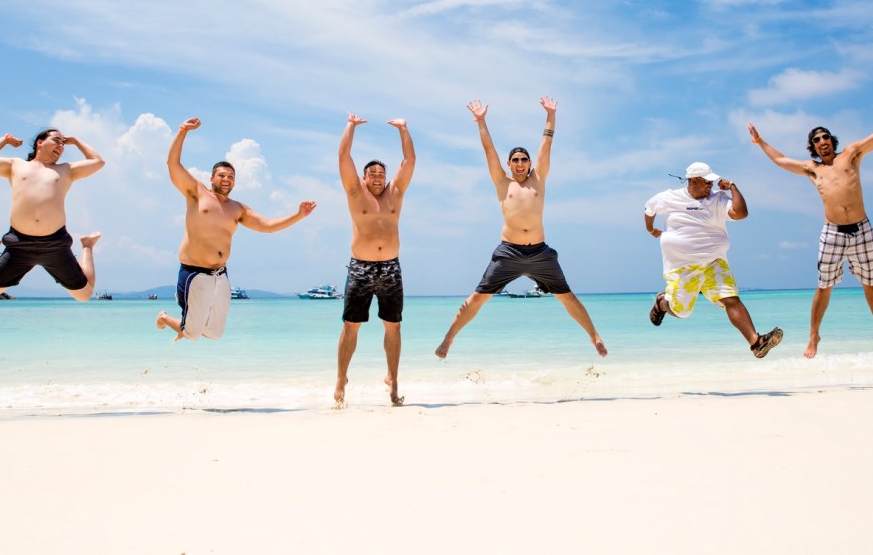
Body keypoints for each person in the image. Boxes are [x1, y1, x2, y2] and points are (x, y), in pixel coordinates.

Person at [747, 78, 873, 358]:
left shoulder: (851, 155)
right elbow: (781, 160)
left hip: (862, 229)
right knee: (824, 286)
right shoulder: (812, 169)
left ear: (832, 140)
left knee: (870, 284)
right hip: (832, 232)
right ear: (813, 147)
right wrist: (760, 142)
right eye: (816, 140)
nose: (822, 142)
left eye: (825, 137)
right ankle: (814, 336)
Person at [435, 97, 607, 359]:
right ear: (509, 164)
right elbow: (488, 151)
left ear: (529, 163)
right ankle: (448, 340)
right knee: (477, 298)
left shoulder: (539, 179)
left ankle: (594, 337)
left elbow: (546, 144)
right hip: (508, 253)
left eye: (523, 159)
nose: (519, 163)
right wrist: (481, 121)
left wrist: (550, 115)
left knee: (568, 297)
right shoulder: (502, 183)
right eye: (515, 159)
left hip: (540, 253)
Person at [156, 117, 316, 340]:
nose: (226, 179)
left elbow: (268, 226)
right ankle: (165, 318)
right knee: (192, 334)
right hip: (194, 272)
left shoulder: (237, 209)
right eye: (221, 175)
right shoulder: (197, 193)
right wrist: (183, 131)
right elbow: (173, 164)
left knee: (214, 333)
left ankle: (185, 324)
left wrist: (299, 215)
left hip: (220, 275)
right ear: (212, 178)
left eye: (231, 176)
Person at [645, 162, 783, 358]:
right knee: (682, 311)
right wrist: (651, 229)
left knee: (731, 299)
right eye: (706, 182)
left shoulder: (717, 199)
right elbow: (649, 209)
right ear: (693, 180)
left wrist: (733, 186)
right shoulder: (670, 197)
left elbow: (741, 213)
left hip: (713, 262)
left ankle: (756, 343)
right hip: (681, 266)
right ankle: (661, 303)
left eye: (712, 181)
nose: (711, 185)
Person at [335, 114, 416, 408]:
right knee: (350, 326)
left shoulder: (395, 193)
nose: (378, 178)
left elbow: (409, 160)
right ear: (364, 178)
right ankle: (341, 379)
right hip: (360, 267)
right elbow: (343, 155)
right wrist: (351, 126)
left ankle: (393, 381)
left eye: (382, 173)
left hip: (391, 269)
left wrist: (404, 129)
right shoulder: (356, 193)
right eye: (373, 174)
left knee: (393, 326)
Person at [0, 129, 104, 301]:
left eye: (63, 143)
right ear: (39, 142)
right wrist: (4, 141)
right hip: (19, 244)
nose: (61, 145)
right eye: (56, 140)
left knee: (84, 295)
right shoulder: (16, 165)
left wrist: (77, 141)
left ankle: (87, 245)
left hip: (55, 243)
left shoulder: (67, 170)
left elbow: (98, 161)